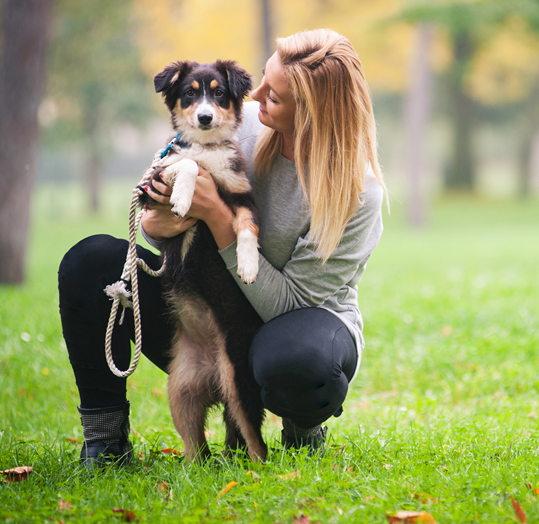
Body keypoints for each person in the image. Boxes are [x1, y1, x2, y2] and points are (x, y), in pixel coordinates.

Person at [58, 29, 387, 468]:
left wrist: (217, 215)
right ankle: (105, 440)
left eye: (275, 95)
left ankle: (301, 425)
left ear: (310, 113)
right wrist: (160, 217)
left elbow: (293, 304)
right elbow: (154, 216)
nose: (255, 95)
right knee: (90, 262)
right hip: (198, 302)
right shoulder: (232, 119)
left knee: (298, 358)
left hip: (293, 324)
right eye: (264, 78)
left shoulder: (357, 191)